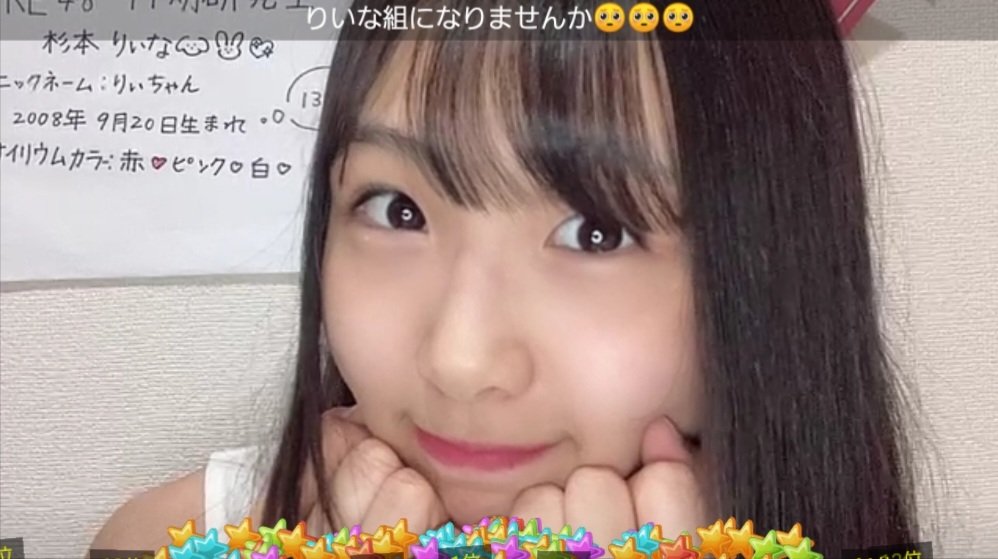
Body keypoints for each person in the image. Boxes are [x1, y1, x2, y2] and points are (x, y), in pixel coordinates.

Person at [92, 1, 926, 556]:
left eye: (596, 231)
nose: (459, 359)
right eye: (398, 210)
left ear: (771, 267)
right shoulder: (203, 527)